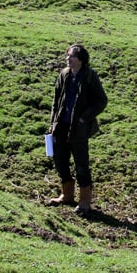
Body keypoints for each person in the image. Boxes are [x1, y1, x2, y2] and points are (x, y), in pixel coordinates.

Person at [46, 44, 108, 215]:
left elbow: (101, 100)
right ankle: (66, 195)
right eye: (67, 56)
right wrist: (52, 123)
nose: (68, 59)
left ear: (80, 59)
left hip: (79, 130)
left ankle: (85, 202)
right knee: (60, 162)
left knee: (81, 165)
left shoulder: (90, 76)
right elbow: (56, 101)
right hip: (61, 126)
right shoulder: (64, 75)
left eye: (71, 56)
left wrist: (84, 117)